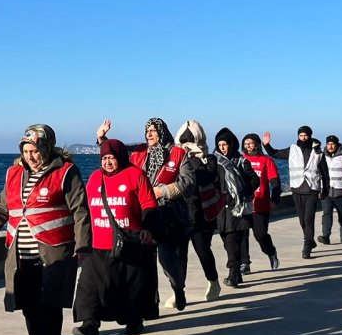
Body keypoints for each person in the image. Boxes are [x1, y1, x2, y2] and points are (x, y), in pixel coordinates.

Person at [0, 124, 88, 335]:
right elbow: (0, 209)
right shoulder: (14, 174)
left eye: (34, 150)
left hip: (53, 252)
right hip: (20, 253)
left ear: (46, 148)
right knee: (28, 306)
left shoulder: (66, 172)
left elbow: (80, 210)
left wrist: (82, 245)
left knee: (49, 304)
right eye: (26, 151)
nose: (30, 156)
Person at [95, 119, 193, 311]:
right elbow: (116, 151)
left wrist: (161, 192)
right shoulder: (139, 151)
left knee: (168, 261)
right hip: (142, 215)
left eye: (153, 131)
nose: (149, 134)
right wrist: (101, 136)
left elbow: (188, 183)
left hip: (169, 216)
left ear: (162, 132)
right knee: (145, 265)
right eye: (147, 131)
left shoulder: (179, 153)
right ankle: (150, 305)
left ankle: (178, 287)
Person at [72, 139, 159, 335]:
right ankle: (89, 324)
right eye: (104, 158)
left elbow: (149, 203)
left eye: (112, 158)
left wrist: (147, 228)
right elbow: (84, 208)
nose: (108, 162)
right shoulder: (95, 177)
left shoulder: (136, 174)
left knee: (129, 287)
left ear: (120, 157)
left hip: (127, 244)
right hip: (97, 243)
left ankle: (134, 320)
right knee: (89, 285)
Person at [174, 121, 222, 302]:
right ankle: (178, 289)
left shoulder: (209, 159)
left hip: (202, 214)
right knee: (180, 254)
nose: (187, 145)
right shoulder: (176, 157)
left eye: (190, 140)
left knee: (203, 249)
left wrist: (196, 157)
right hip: (181, 213)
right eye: (184, 141)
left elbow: (205, 177)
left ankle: (213, 281)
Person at [263, 126, 327, 259]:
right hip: (297, 189)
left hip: (312, 189)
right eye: (301, 135)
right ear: (298, 136)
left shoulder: (318, 152)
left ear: (310, 136)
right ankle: (309, 239)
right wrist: (266, 144)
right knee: (302, 220)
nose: (303, 138)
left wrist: (325, 189)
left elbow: (325, 173)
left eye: (306, 135)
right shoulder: (292, 150)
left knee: (309, 219)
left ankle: (307, 247)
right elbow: (274, 153)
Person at [216, 129, 259, 287]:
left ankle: (233, 273)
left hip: (238, 208)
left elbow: (255, 180)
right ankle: (236, 272)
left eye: (225, 145)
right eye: (219, 145)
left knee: (233, 240)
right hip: (222, 208)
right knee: (227, 241)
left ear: (231, 144)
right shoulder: (215, 161)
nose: (222, 148)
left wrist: (242, 192)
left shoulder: (241, 161)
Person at [239, 133, 280, 274]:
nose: (248, 146)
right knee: (242, 235)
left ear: (257, 144)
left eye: (251, 143)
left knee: (260, 235)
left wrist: (274, 199)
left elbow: (275, 182)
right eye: (246, 143)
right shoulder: (241, 159)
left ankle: (271, 252)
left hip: (261, 204)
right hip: (244, 204)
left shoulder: (266, 161)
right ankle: (245, 263)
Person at [319, 135, 342, 244]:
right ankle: (326, 236)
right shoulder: (321, 156)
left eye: (333, 144)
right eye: (328, 144)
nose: (330, 146)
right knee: (326, 214)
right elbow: (317, 173)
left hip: (341, 191)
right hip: (326, 191)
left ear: (337, 144)